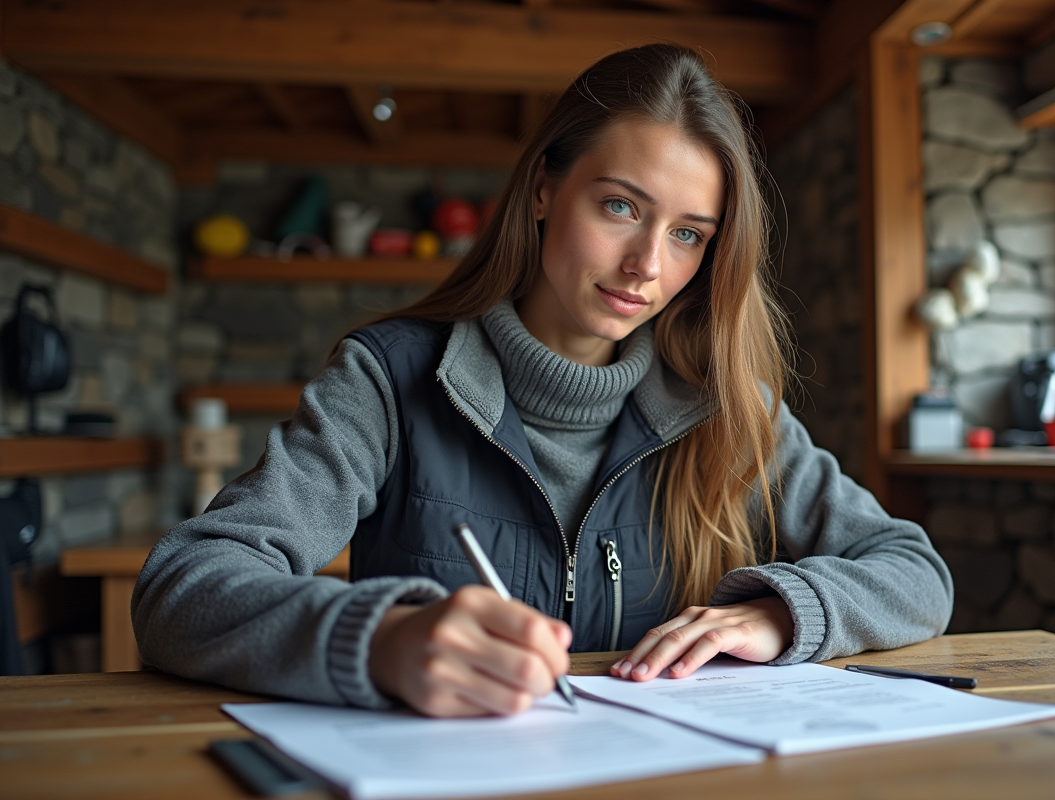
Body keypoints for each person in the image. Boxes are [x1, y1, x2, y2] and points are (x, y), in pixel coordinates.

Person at [133, 44, 952, 719]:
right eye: (621, 208)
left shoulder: (728, 413)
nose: (648, 266)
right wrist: (380, 639)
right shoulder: (386, 382)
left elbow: (914, 570)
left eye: (689, 234)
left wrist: (782, 614)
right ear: (542, 190)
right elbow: (184, 586)